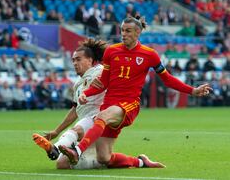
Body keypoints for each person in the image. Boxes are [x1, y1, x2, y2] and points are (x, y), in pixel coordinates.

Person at [59, 16, 212, 168]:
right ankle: (140, 162)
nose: (123, 34)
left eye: (128, 31)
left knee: (102, 116)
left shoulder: (150, 54)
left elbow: (167, 79)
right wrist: (87, 93)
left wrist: (192, 90)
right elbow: (103, 82)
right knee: (104, 157)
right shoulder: (111, 52)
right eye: (122, 30)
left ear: (138, 32)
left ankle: (78, 150)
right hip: (109, 104)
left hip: (128, 104)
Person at [32, 39, 107, 169]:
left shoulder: (100, 71)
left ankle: (54, 148)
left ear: (90, 60)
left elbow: (113, 74)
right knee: (62, 164)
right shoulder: (78, 84)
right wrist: (56, 131)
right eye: (73, 60)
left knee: (76, 130)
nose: (74, 63)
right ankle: (109, 162)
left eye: (78, 59)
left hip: (99, 120)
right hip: (85, 123)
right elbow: (75, 110)